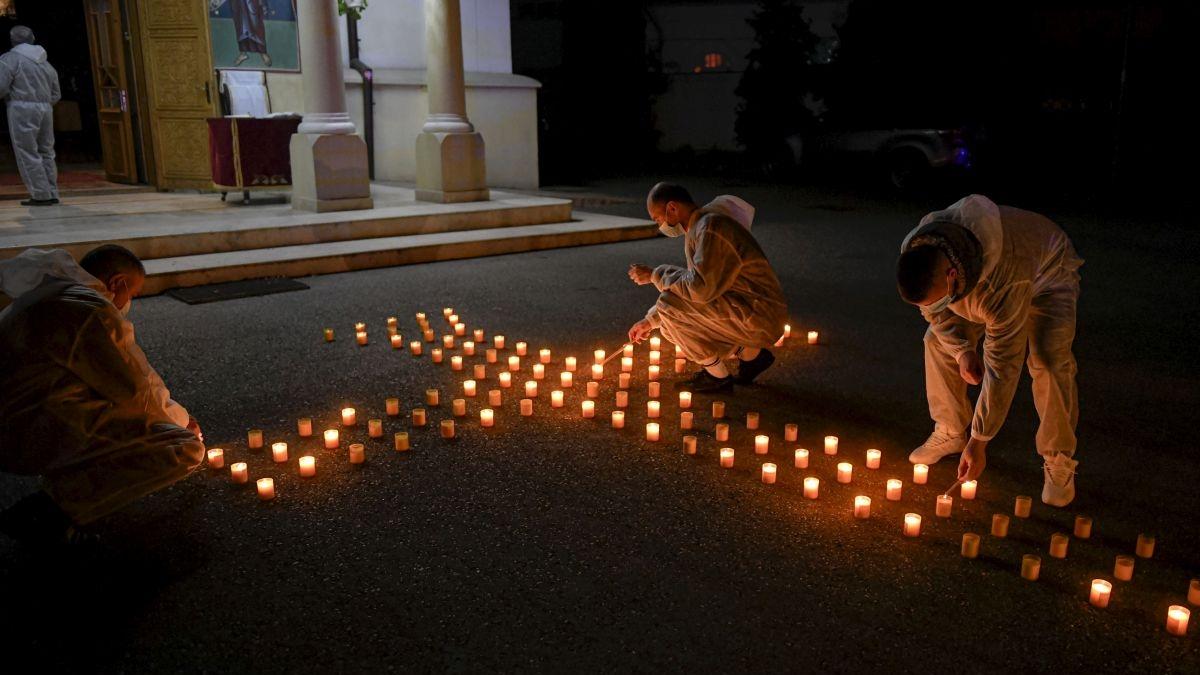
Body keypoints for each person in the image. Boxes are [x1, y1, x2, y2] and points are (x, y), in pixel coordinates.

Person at [0, 246, 204, 547]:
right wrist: (183, 421)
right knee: (182, 447)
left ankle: (58, 495)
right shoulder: (89, 311)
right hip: (23, 430)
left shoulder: (52, 295)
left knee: (121, 415)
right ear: (118, 283)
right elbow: (137, 392)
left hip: (22, 416)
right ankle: (50, 512)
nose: (128, 302)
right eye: (132, 294)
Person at [896, 195, 1082, 506]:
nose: (936, 307)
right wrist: (962, 352)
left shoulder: (1002, 285)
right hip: (977, 283)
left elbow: (1002, 367)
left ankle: (1059, 457)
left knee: (1048, 361)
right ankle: (951, 429)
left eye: (942, 299)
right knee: (936, 341)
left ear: (952, 276)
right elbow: (934, 311)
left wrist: (980, 441)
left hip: (1046, 277)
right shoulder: (920, 251)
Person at [628, 183, 789, 393]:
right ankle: (752, 356)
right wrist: (649, 321)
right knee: (668, 323)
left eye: (657, 218)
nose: (660, 226)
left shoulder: (711, 227)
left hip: (758, 315)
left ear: (672, 208)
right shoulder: (703, 225)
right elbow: (692, 290)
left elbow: (699, 289)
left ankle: (717, 378)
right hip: (748, 310)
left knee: (669, 308)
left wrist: (654, 275)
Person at [0, 26, 61, 207]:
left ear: (12, 40)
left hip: (21, 108)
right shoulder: (45, 62)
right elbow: (56, 93)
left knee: (27, 151)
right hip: (46, 108)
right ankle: (52, 191)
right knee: (47, 151)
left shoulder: (10, 59)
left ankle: (40, 195)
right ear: (33, 38)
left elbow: (1, 87)